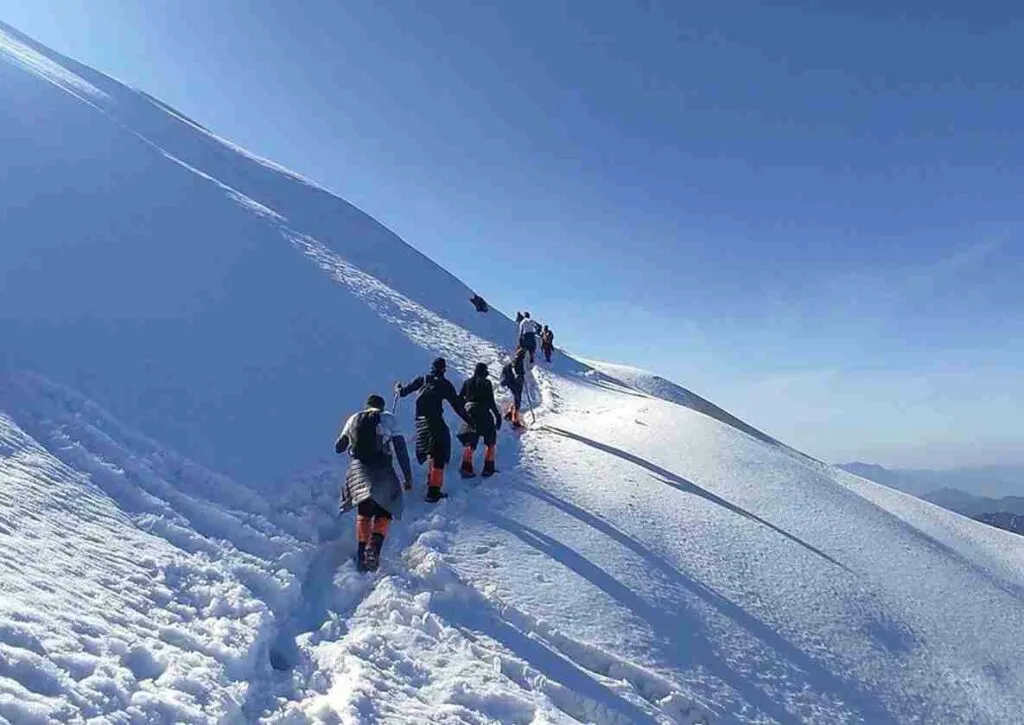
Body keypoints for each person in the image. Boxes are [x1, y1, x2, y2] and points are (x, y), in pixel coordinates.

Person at [335, 394, 413, 572]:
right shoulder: (388, 419)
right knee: (386, 508)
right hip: (382, 468)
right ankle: (374, 547)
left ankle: (362, 554)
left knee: (364, 510)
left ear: (367, 406)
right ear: (382, 407)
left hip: (358, 470)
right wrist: (407, 476)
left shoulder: (354, 418)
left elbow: (338, 447)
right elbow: (401, 450)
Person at [396, 357, 470, 503]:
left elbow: (402, 392)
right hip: (435, 422)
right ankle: (433, 491)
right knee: (439, 453)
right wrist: (470, 421)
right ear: (444, 369)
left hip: (420, 424)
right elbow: (457, 406)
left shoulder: (422, 379)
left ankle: (430, 483)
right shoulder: (444, 384)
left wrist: (397, 388)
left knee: (431, 452)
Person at [457, 362, 502, 478]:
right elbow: (491, 402)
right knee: (490, 440)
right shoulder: (486, 382)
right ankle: (488, 467)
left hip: (470, 412)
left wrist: (464, 413)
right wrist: (497, 416)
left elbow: (460, 399)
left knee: (471, 441)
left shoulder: (467, 382)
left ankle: (466, 466)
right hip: (484, 413)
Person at [500, 348, 528, 429]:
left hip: (513, 384)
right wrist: (520, 376)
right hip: (516, 385)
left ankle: (509, 414)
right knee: (517, 402)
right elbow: (516, 372)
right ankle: (515, 420)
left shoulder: (515, 360)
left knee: (515, 400)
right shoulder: (518, 361)